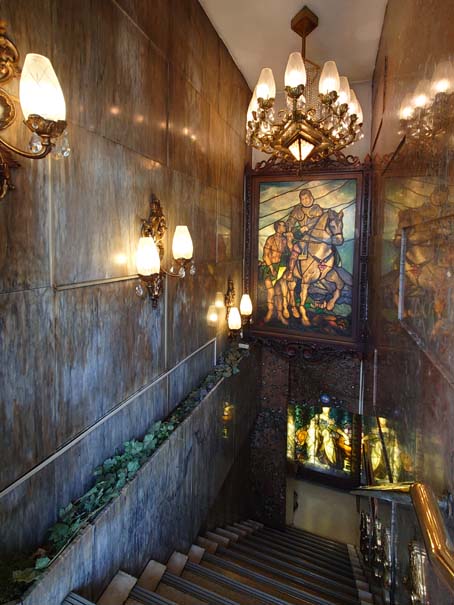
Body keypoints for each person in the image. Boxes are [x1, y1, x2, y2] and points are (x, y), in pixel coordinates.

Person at [261, 220, 290, 323]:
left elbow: (288, 254)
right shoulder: (271, 239)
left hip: (280, 268)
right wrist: (271, 268)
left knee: (278, 293)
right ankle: (270, 312)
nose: (285, 227)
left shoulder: (284, 240)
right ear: (278, 227)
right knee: (271, 291)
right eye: (283, 226)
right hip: (270, 267)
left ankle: (280, 315)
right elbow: (265, 255)